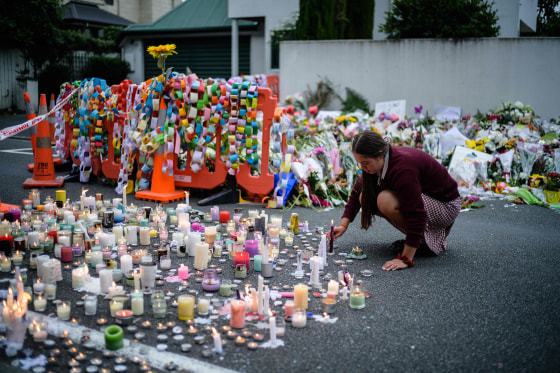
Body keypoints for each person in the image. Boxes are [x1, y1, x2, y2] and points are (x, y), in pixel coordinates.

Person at [333, 130, 461, 270]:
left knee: (385, 200)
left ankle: (420, 243)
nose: (362, 168)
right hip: (428, 200)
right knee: (365, 196)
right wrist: (343, 226)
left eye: (365, 163)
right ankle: (420, 240)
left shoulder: (402, 168)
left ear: (380, 153)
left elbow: (417, 214)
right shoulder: (380, 161)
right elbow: (357, 191)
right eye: (359, 163)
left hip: (446, 205)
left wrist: (405, 259)